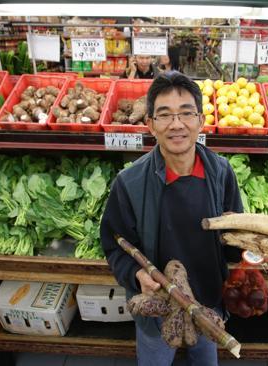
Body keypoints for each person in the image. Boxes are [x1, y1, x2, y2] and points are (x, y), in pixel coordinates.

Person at [100, 71, 243, 366]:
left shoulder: (221, 173)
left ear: (201, 121)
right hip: (159, 307)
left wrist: (248, 254)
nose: (177, 124)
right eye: (165, 115)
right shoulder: (129, 183)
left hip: (208, 303)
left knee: (205, 360)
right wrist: (137, 275)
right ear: (150, 124)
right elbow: (114, 245)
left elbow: (233, 242)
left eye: (186, 114)